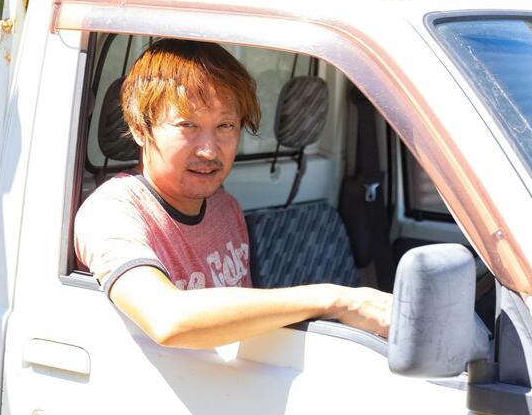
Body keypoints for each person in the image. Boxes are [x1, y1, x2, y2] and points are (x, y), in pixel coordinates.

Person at [74, 39, 391, 349]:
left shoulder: (224, 207)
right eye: (188, 125)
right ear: (141, 130)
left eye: (226, 126)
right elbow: (167, 319)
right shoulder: (113, 211)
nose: (210, 150)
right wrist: (337, 301)